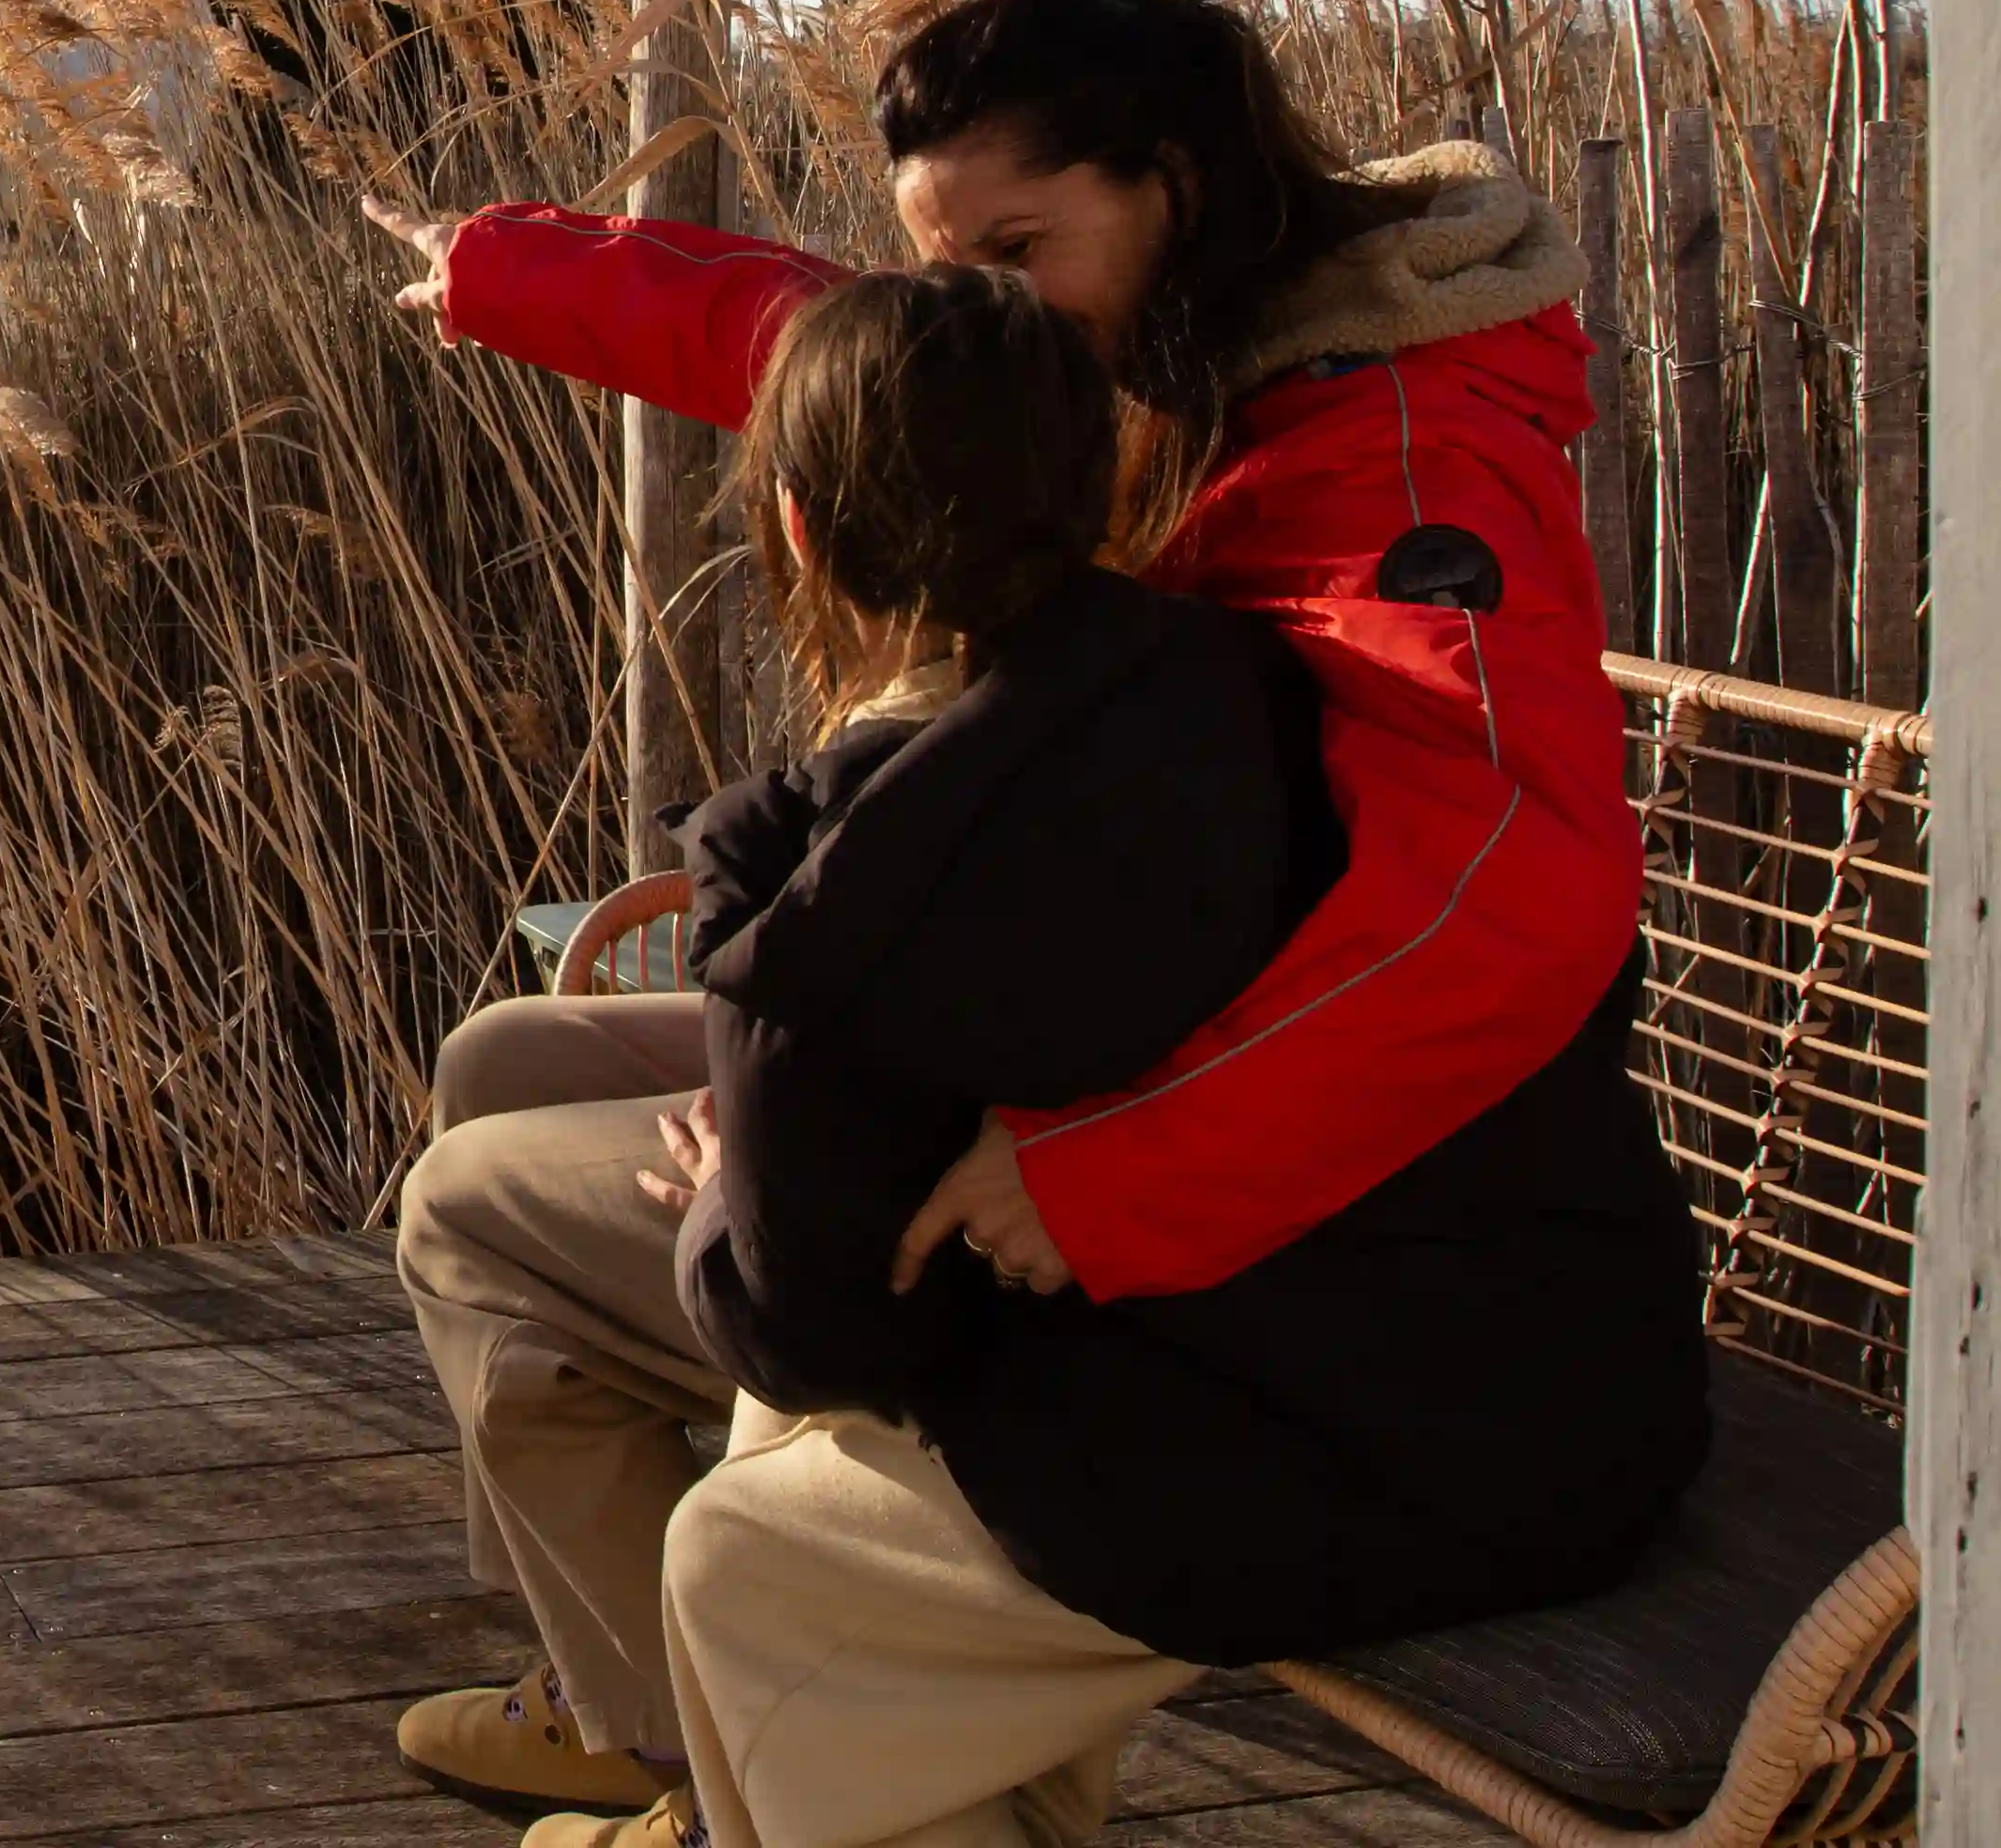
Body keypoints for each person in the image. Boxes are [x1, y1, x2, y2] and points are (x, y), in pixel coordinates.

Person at [378, 0, 1664, 1830]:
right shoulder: (1162, 355)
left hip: (1216, 1148)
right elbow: (883, 372)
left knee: (506, 1205)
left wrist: (1103, 1175)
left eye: (1018, 247)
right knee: (508, 1063)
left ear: (1176, 185)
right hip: (1100, 987)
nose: (986, 301)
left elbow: (1502, 908)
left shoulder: (1390, 467)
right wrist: (530, 277)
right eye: (956, 261)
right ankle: (646, 1713)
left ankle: (713, 1736)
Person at [583, 260, 1701, 1848]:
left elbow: (805, 1318)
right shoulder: (1279, 683)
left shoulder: (835, 890)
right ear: (1107, 485)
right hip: (1575, 1359)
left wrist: (719, 1187)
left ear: (798, 536)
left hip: (1395, 1445)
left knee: (754, 1551)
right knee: (816, 1476)